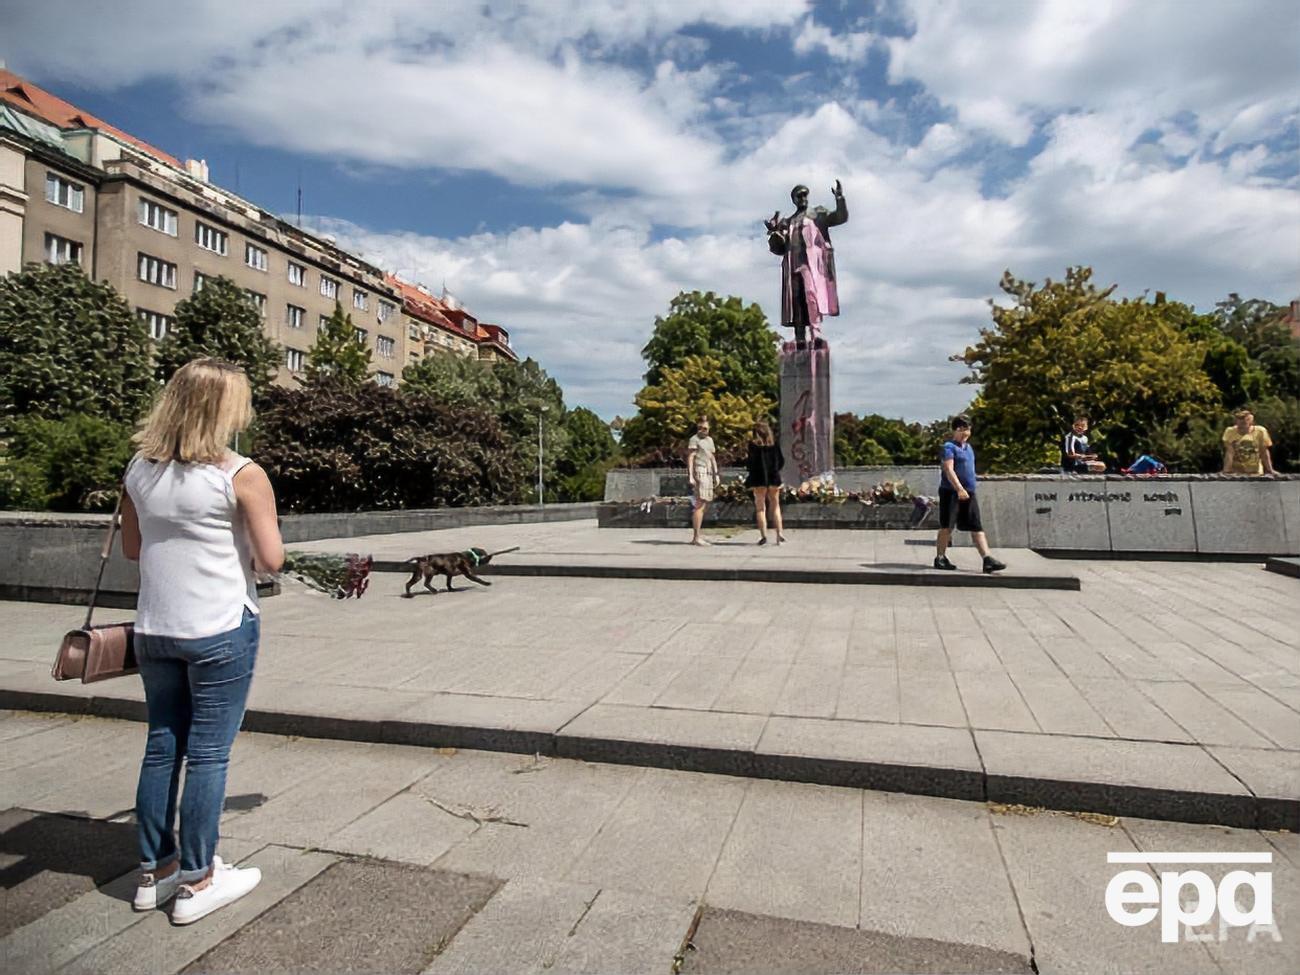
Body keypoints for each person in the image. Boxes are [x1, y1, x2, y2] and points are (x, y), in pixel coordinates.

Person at [120, 358, 284, 925]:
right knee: (209, 753)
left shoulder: (138, 471)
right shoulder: (240, 473)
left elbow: (135, 550)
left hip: (155, 629)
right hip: (218, 626)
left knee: (161, 744)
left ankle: (154, 872)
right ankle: (199, 880)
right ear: (223, 409)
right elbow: (270, 560)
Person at [765, 181, 848, 348]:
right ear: (794, 200)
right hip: (792, 265)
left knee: (811, 295)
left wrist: (839, 198)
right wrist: (774, 232)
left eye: (805, 194)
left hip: (811, 264)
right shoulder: (787, 222)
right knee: (796, 301)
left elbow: (840, 217)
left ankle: (815, 332)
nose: (803, 198)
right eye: (799, 196)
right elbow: (779, 248)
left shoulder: (817, 214)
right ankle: (800, 338)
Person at [934, 415, 1006, 574]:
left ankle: (987, 558)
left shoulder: (969, 448)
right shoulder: (949, 447)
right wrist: (959, 488)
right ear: (954, 430)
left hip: (969, 492)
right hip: (951, 492)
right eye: (961, 429)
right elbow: (948, 469)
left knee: (976, 526)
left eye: (967, 429)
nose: (964, 432)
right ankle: (940, 557)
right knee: (947, 526)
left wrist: (969, 487)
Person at [745, 420, 785, 545]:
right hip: (773, 477)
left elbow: (750, 463)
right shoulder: (774, 444)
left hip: (758, 479)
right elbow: (781, 461)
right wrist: (775, 470)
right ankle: (779, 534)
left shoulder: (753, 446)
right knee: (776, 506)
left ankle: (764, 535)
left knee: (760, 508)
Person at [687, 415, 719, 546]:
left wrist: (716, 474)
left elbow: (712, 457)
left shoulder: (710, 440)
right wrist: (690, 475)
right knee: (699, 503)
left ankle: (698, 535)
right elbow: (691, 457)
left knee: (704, 503)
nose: (703, 430)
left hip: (709, 471)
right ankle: (696, 537)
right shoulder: (694, 439)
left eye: (705, 428)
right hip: (700, 470)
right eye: (700, 428)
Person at [1222, 409, 1276, 475]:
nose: (1241, 426)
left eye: (1244, 423)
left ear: (1250, 422)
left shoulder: (1260, 431)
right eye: (1239, 423)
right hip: (1236, 472)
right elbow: (1230, 452)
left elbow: (1264, 452)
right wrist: (1226, 471)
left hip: (1255, 471)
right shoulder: (1230, 431)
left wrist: (1270, 470)